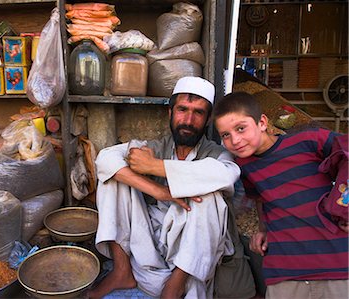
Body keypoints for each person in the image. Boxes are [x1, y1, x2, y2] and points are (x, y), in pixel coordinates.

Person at [89, 77, 255, 299]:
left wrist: (154, 167)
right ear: (170, 113)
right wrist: (158, 191)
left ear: (207, 120)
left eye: (198, 113)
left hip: (192, 253)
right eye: (182, 110)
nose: (188, 120)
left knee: (210, 196)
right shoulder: (155, 147)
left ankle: (173, 288)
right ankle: (122, 270)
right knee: (113, 176)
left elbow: (227, 173)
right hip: (152, 243)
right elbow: (105, 159)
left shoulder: (215, 153)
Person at [213, 91, 348, 299]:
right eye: (226, 135)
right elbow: (260, 198)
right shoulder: (244, 166)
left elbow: (346, 153)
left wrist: (344, 205)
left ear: (262, 123)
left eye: (241, 128)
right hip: (284, 274)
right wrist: (263, 228)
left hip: (336, 266)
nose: (235, 140)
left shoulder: (309, 140)